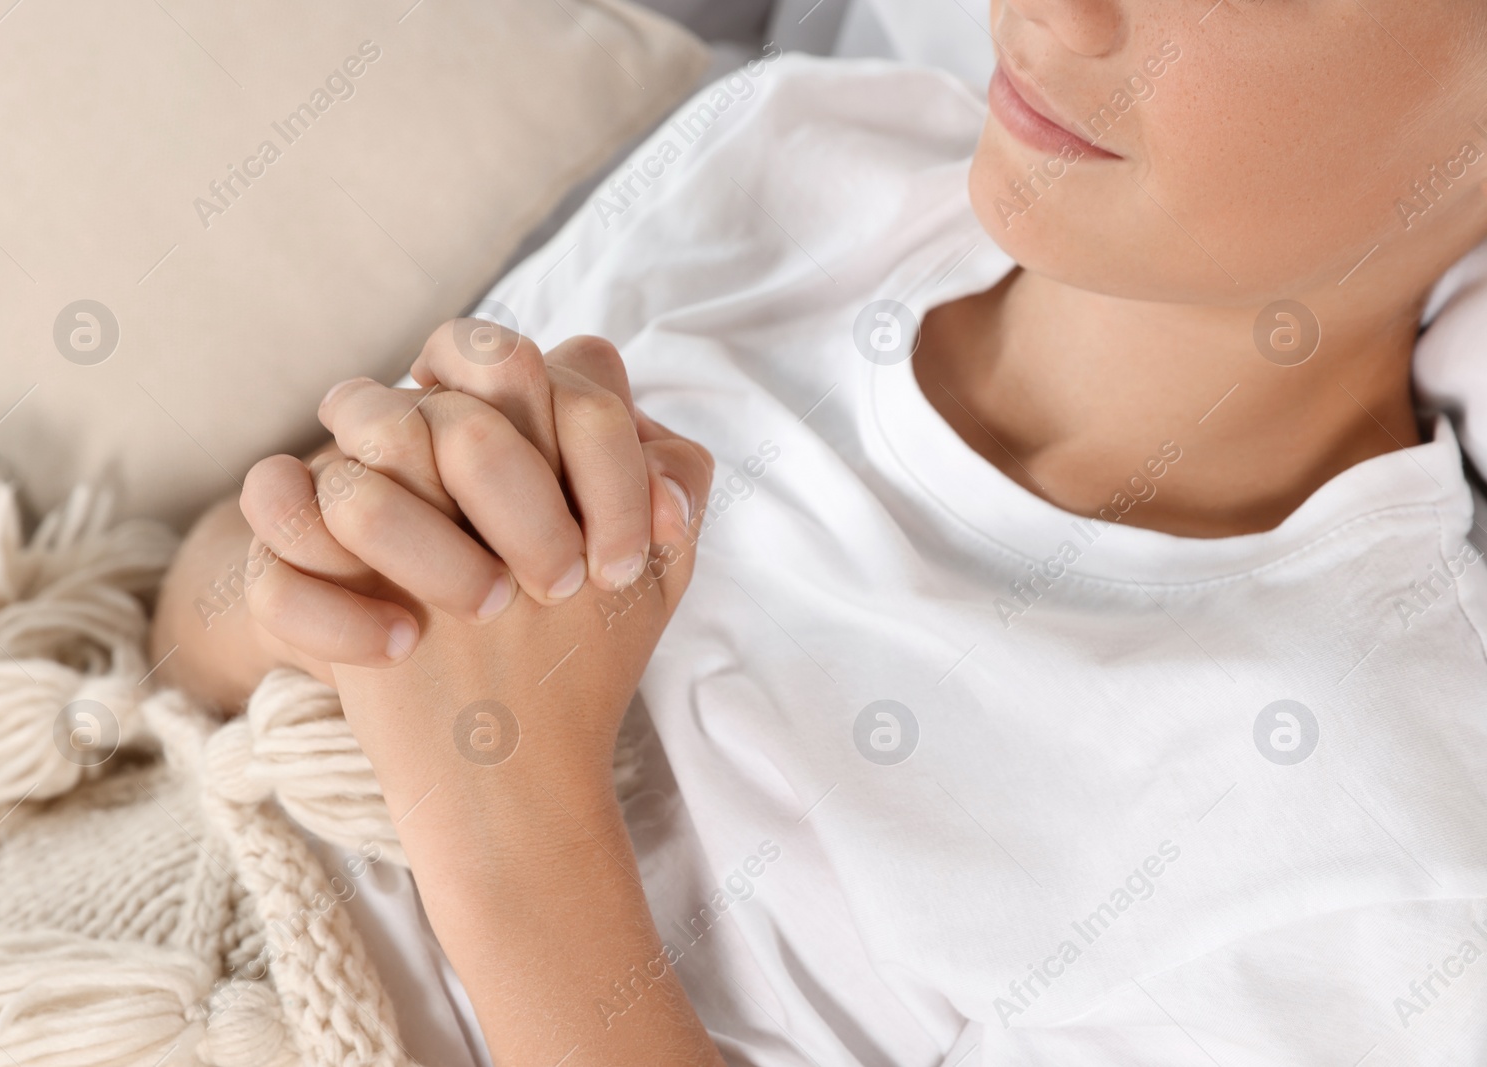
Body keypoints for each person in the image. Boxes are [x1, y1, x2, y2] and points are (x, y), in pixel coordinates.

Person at [152, 3, 1487, 1064]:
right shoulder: (789, 158)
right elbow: (182, 620)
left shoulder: (1373, 866)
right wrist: (329, 579)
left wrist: (506, 804)